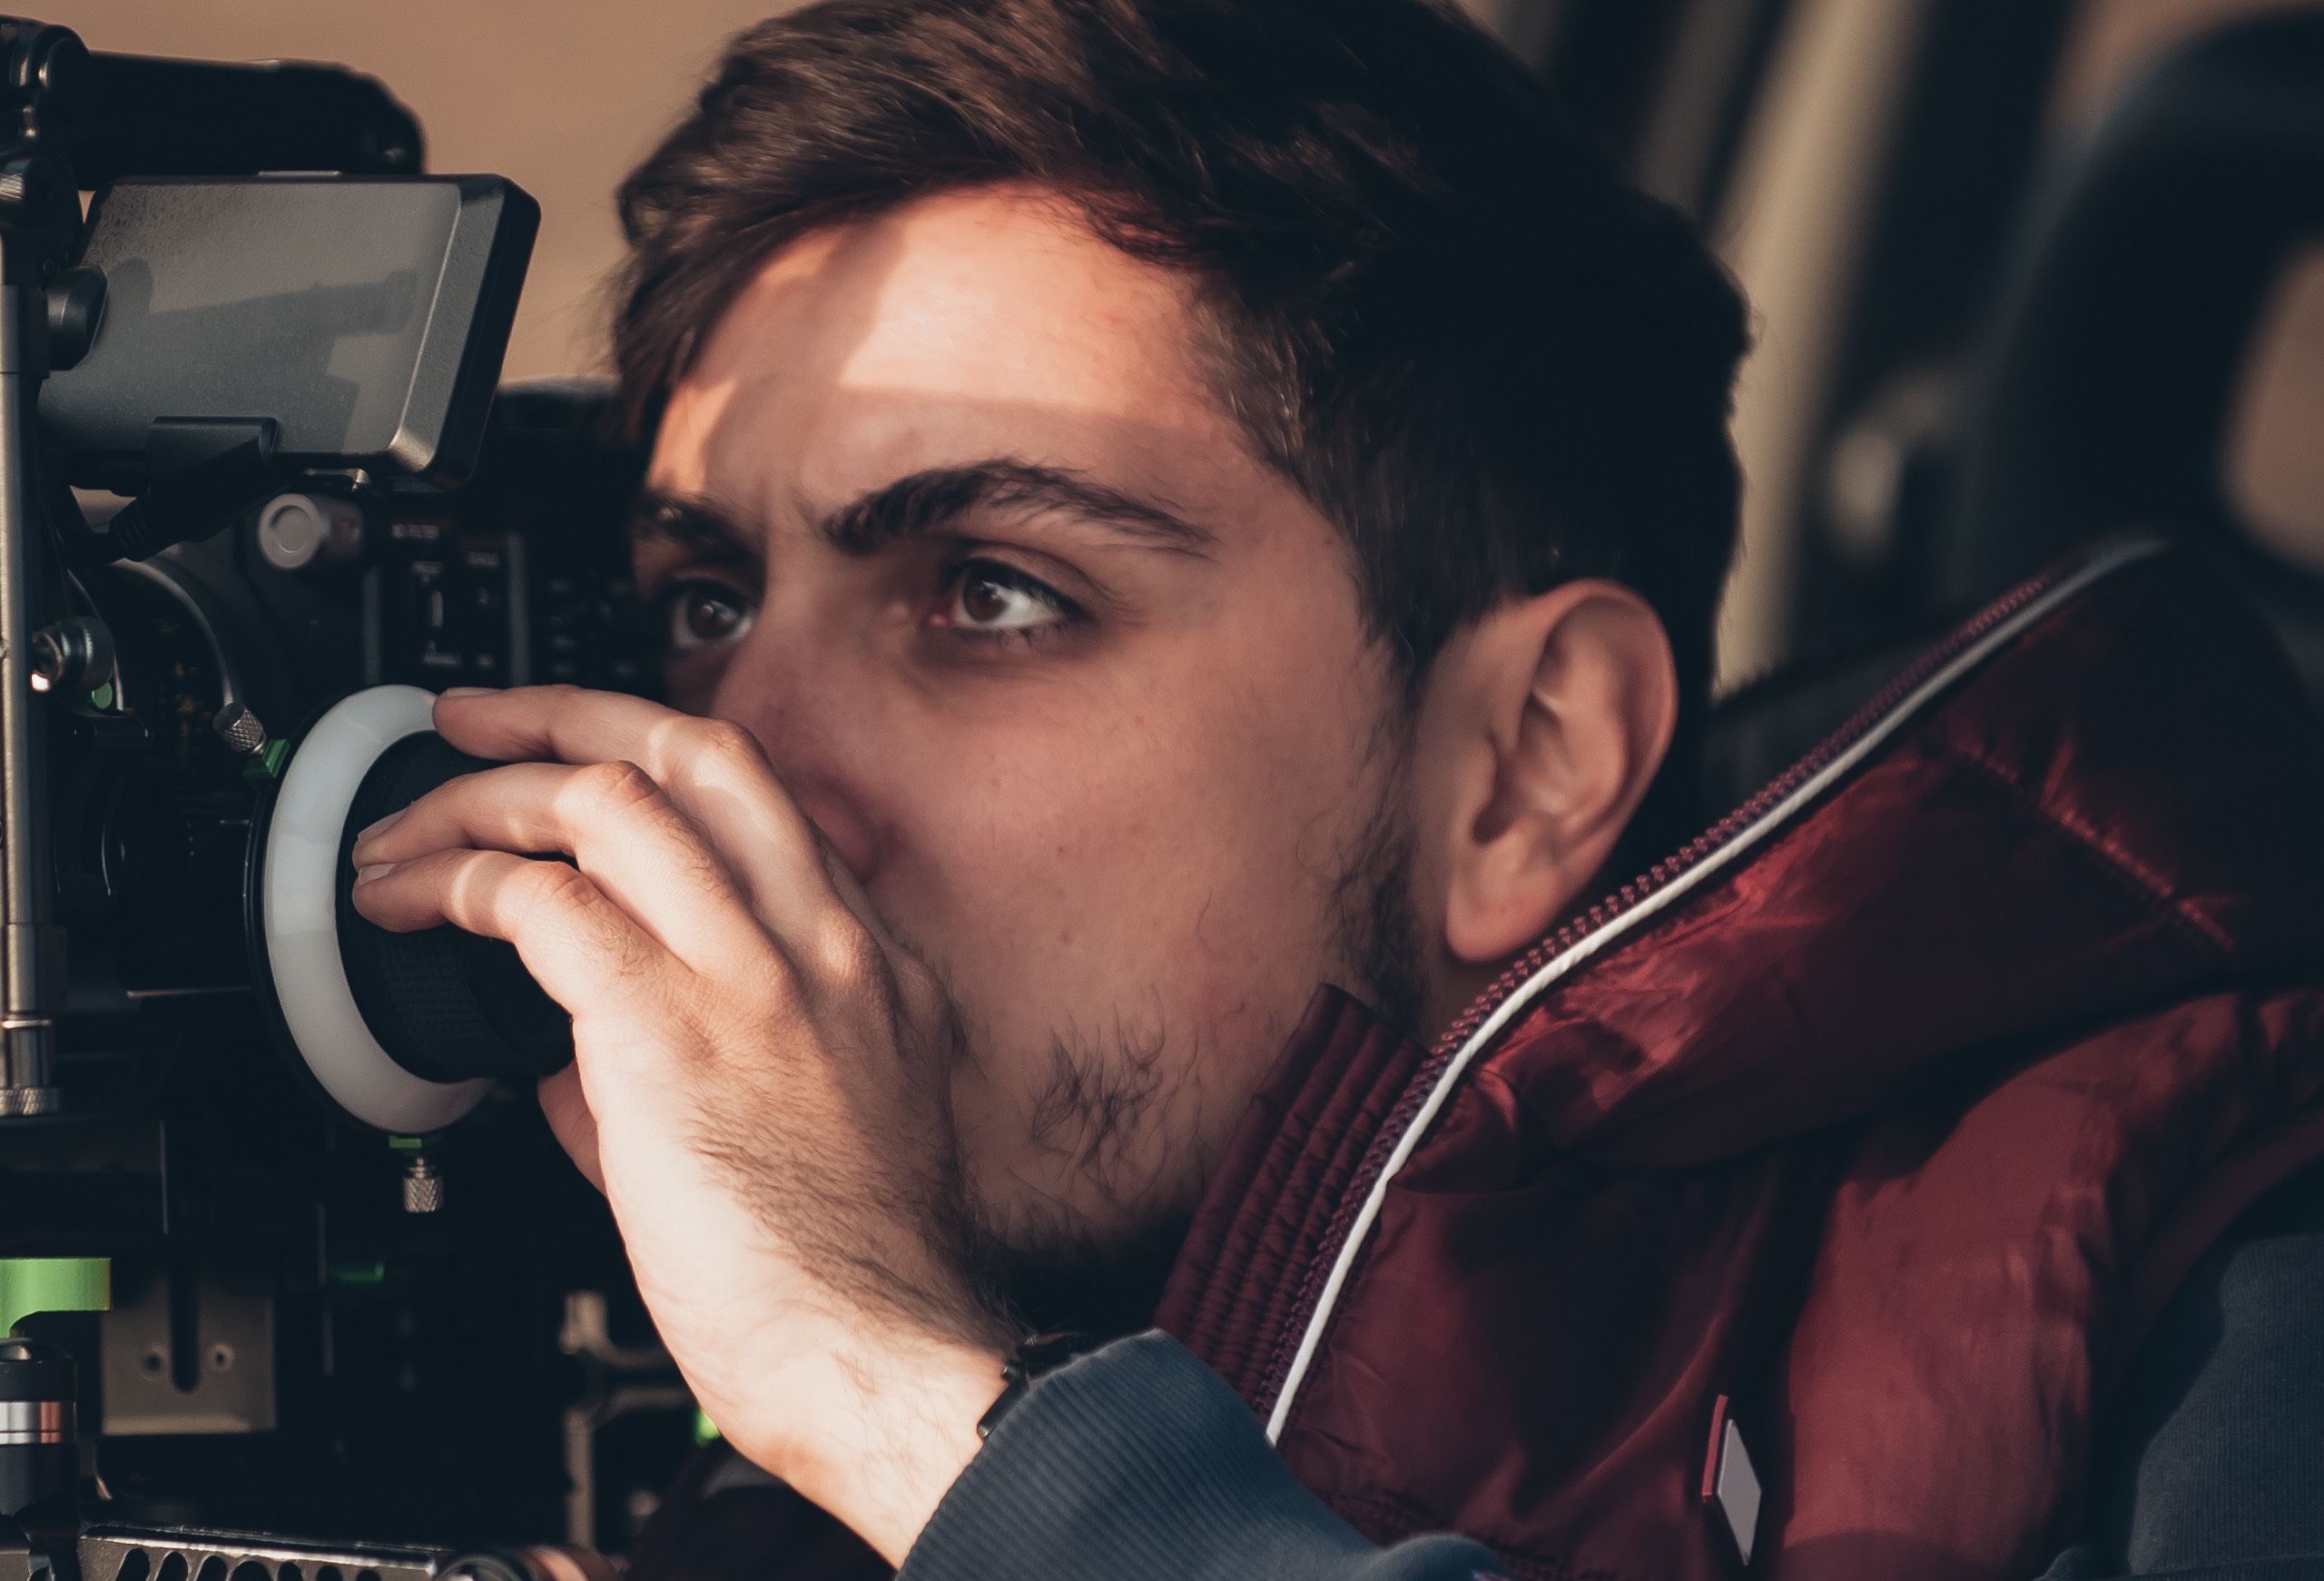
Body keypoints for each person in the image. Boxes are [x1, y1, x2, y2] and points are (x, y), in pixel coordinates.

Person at [339, 1, 2324, 1576]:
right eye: (702, 601)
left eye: (992, 592)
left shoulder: (2229, 1325)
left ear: (1517, 767)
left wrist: (880, 1390)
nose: (733, 766)